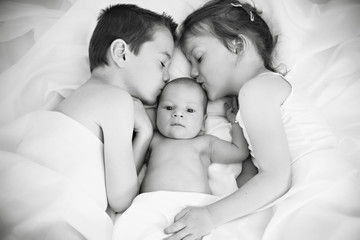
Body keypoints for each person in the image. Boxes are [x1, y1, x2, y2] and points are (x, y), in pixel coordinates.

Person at [163, 0, 358, 239]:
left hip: (319, 188)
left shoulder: (256, 91)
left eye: (199, 58)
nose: (193, 73)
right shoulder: (255, 95)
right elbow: (254, 182)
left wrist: (211, 215)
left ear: (237, 45)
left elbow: (275, 178)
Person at [55, 4, 177, 213]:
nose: (168, 76)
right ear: (121, 53)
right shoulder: (116, 101)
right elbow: (121, 200)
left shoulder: (73, 99)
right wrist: (145, 134)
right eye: (162, 63)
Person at [140, 77, 249, 194]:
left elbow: (240, 152)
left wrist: (235, 122)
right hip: (152, 204)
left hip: (196, 205)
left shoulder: (205, 143)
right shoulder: (152, 139)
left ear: (203, 122)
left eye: (190, 110)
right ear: (156, 114)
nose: (178, 114)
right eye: (169, 108)